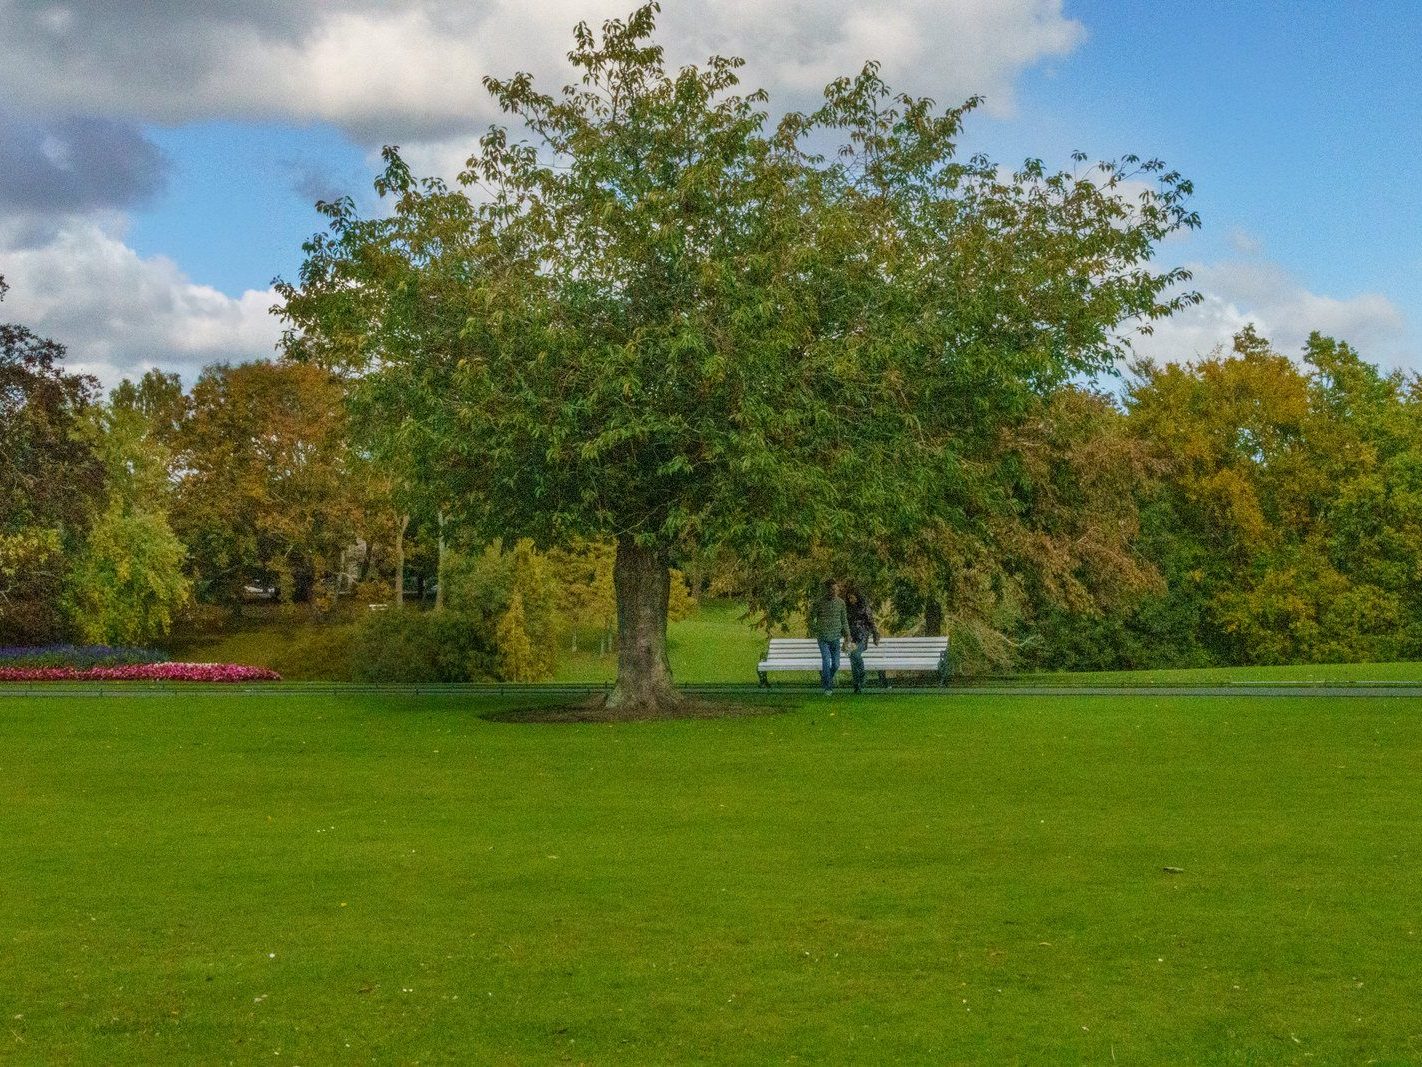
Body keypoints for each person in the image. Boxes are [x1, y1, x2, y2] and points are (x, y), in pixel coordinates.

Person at [808, 578, 849, 695]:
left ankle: (826, 679)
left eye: (836, 588)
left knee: (836, 664)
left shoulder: (841, 603)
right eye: (832, 589)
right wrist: (817, 629)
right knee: (826, 660)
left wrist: (848, 636)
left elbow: (844, 620)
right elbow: (810, 619)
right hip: (823, 637)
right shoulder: (819, 603)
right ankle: (828, 687)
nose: (834, 591)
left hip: (836, 637)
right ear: (826, 590)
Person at [844, 586, 881, 693]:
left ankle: (862, 675)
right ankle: (857, 684)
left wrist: (875, 635)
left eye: (852, 598)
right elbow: (844, 623)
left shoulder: (864, 607)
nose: (850, 600)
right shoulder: (847, 609)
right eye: (849, 598)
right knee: (852, 658)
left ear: (857, 597)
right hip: (852, 636)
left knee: (855, 654)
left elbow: (871, 622)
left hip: (862, 636)